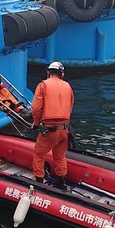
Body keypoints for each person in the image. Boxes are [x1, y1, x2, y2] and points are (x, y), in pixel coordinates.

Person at [30, 61, 74, 190]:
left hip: (49, 129)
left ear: (48, 72)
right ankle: (62, 183)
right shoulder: (68, 86)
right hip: (64, 129)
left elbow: (35, 108)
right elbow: (70, 106)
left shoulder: (43, 85)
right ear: (62, 74)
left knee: (39, 155)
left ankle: (39, 183)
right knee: (60, 157)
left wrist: (37, 124)